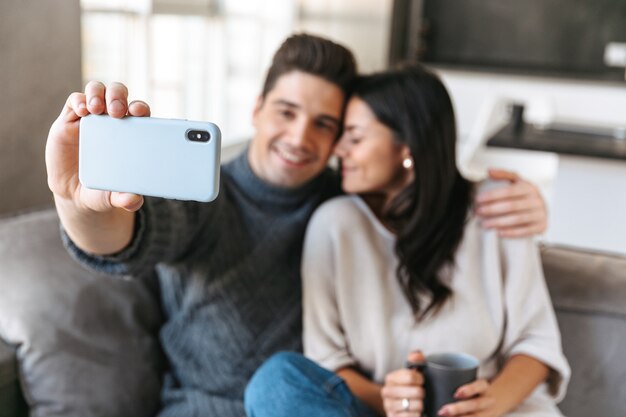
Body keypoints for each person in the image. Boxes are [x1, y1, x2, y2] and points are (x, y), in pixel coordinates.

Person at [46, 34, 549, 416]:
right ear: (258, 110)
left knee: (281, 381)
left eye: (327, 126)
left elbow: (416, 191)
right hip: (215, 407)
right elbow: (122, 241)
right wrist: (79, 206)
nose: (300, 137)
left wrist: (495, 193)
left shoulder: (345, 200)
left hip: (319, 405)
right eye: (286, 112)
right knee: (279, 380)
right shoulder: (206, 196)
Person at [244, 65, 569, 417]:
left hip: (498, 410)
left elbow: (536, 345)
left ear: (406, 145)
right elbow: (328, 362)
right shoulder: (335, 224)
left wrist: (489, 405)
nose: (339, 150)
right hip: (384, 411)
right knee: (278, 381)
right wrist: (392, 399)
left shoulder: (498, 208)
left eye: (354, 137)